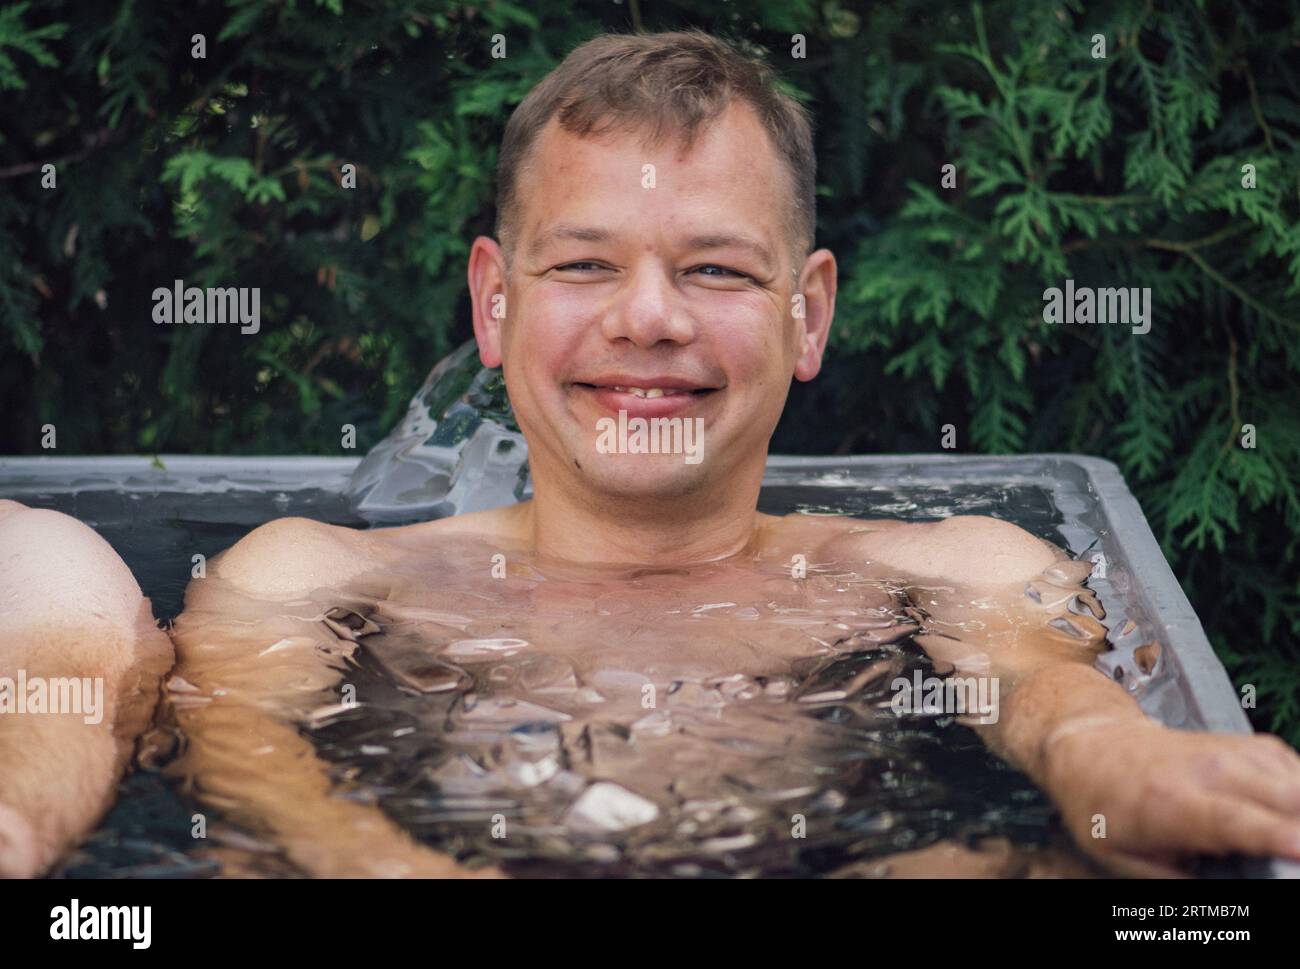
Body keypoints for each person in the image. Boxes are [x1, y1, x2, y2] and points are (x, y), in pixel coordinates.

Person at [4, 29, 1300, 879]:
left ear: (810, 312)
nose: (650, 319)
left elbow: (1055, 708)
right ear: (494, 302)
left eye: (717, 270)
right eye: (583, 266)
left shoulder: (950, 565)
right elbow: (247, 778)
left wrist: (1133, 768)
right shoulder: (317, 579)